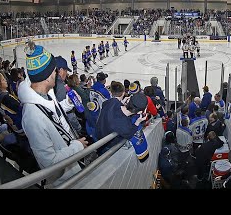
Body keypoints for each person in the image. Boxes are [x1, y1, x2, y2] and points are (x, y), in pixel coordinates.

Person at [18, 42, 88, 187]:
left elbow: (54, 116)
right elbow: (49, 162)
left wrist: (68, 103)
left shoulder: (46, 93)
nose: (57, 74)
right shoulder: (32, 117)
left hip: (73, 156)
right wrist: (77, 146)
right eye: (54, 71)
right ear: (48, 76)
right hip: (66, 180)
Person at [94, 90, 149, 160]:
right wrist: (138, 122)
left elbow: (105, 104)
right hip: (106, 145)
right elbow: (131, 132)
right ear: (140, 112)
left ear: (129, 100)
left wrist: (121, 103)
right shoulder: (125, 126)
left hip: (98, 133)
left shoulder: (113, 101)